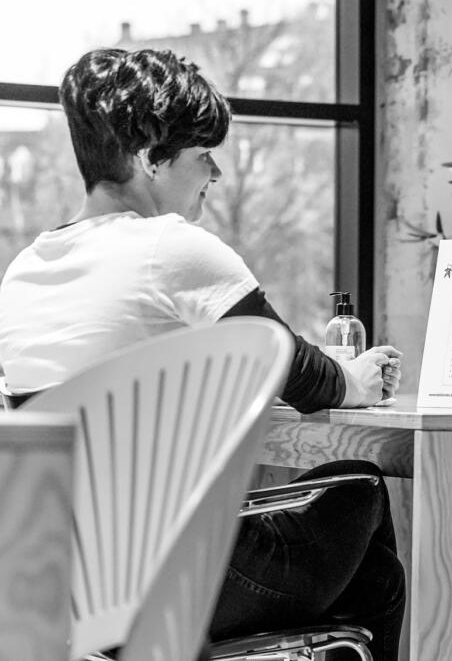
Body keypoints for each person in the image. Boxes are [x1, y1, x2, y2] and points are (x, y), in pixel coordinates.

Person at [0, 48, 405, 658]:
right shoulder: (170, 246)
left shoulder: (26, 270)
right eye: (202, 155)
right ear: (148, 161)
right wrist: (356, 373)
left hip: (69, 584)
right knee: (364, 486)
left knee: (354, 569)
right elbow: (305, 377)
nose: (215, 173)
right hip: (183, 580)